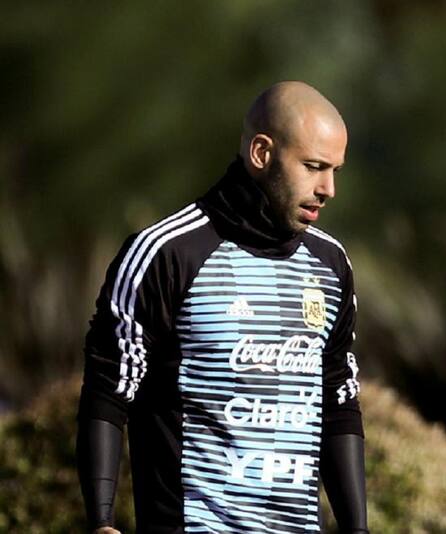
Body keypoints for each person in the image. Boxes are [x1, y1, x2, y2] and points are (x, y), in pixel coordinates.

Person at [77, 81, 368, 533]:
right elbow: (108, 390)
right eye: (313, 167)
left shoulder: (331, 264)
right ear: (260, 152)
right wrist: (100, 521)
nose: (329, 187)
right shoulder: (167, 252)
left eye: (335, 170)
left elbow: (340, 402)